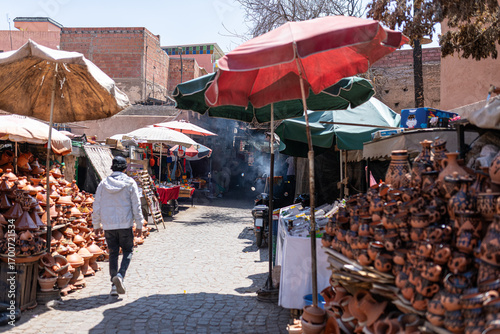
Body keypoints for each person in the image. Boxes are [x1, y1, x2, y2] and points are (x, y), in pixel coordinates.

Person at [93, 156, 144, 296]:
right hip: (125, 224)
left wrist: (96, 224)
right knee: (128, 250)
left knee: (113, 253)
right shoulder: (129, 182)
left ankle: (113, 286)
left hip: (108, 225)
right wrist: (139, 224)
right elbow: (136, 205)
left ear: (113, 168)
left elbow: (96, 205)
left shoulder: (103, 184)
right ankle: (120, 276)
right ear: (124, 168)